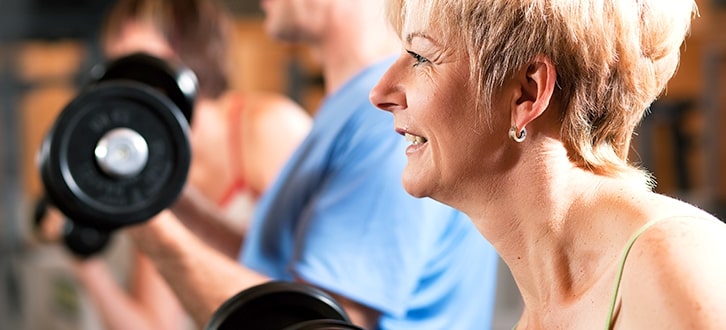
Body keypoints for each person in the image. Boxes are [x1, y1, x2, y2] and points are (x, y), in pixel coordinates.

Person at [123, 0, 501, 329]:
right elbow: (274, 269)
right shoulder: (351, 105)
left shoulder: (386, 122)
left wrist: (150, 228)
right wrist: (173, 204)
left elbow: (314, 324)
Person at [370, 0, 726, 328]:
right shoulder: (538, 315)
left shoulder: (675, 263)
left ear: (528, 92)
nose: (380, 92)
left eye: (420, 57)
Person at [35, 0, 312, 329]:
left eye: (145, 61)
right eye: (119, 65)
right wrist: (84, 260)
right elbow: (155, 325)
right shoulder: (148, 172)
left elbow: (314, 293)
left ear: (193, 55)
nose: (131, 82)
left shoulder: (266, 128)